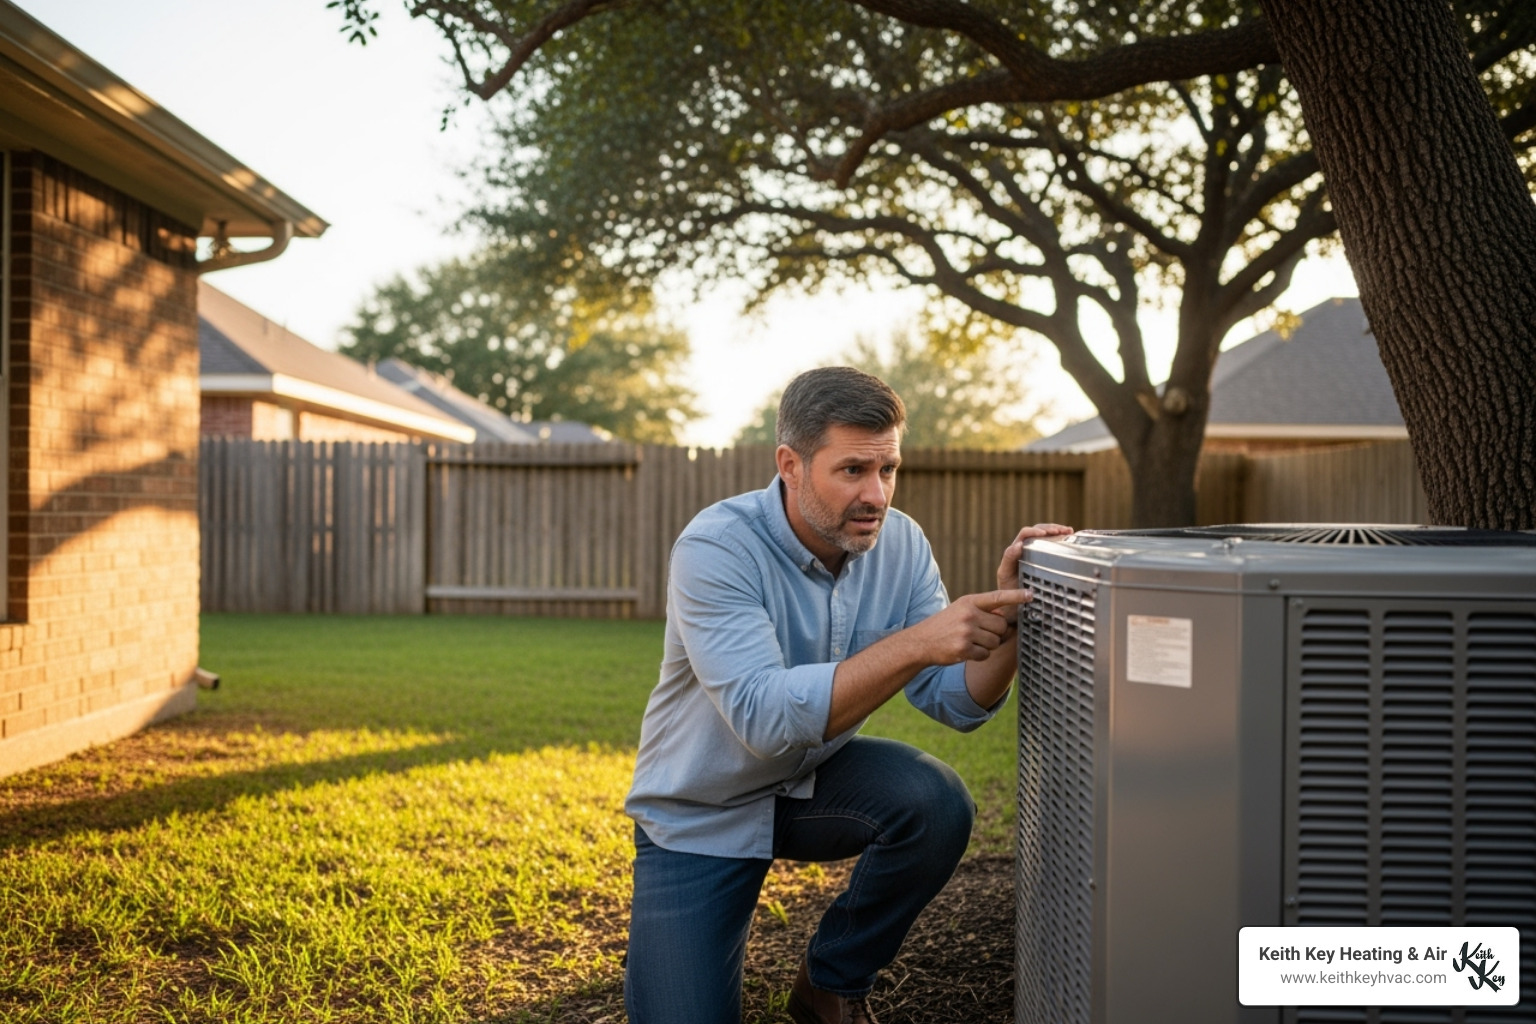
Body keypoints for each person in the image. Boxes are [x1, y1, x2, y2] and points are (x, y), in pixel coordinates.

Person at [623, 366, 1071, 1024]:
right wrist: (917, 642)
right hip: (701, 809)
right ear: (791, 464)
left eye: (888, 470)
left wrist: (1008, 619)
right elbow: (764, 718)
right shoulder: (717, 548)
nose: (877, 494)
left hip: (810, 785)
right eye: (853, 470)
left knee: (934, 800)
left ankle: (831, 981)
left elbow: (958, 701)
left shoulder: (902, 544)